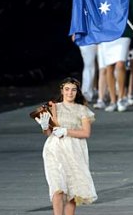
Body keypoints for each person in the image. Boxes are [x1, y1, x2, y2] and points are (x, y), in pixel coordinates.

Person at [33, 77, 97, 215]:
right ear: (62, 91)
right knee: (57, 186)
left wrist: (67, 131)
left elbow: (86, 133)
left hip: (75, 149)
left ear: (77, 92)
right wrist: (45, 127)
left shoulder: (82, 110)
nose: (70, 93)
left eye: (73, 90)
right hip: (54, 148)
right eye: (67, 89)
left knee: (72, 189)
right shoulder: (54, 107)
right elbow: (50, 132)